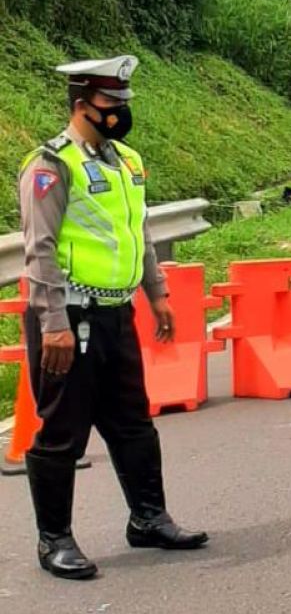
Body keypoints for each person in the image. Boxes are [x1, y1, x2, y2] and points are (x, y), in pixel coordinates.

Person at [18, 56, 208, 580]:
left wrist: (158, 294)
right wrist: (52, 321)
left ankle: (148, 518)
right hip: (69, 319)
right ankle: (53, 539)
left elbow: (137, 232)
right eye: (111, 105)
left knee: (133, 424)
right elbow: (40, 251)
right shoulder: (50, 165)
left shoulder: (127, 160)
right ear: (82, 105)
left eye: (125, 104)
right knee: (61, 431)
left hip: (116, 313)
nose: (121, 114)